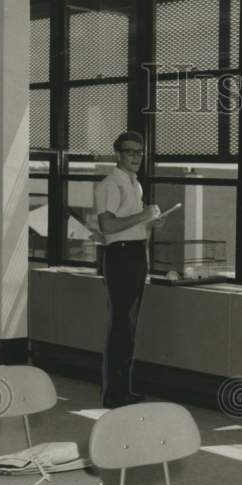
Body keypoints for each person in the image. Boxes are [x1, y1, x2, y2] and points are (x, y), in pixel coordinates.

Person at [93, 131, 165, 409]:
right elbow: (107, 227)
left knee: (129, 326)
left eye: (139, 152)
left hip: (135, 254)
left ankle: (124, 389)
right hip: (120, 257)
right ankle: (113, 394)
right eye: (130, 152)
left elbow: (130, 224)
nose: (136, 157)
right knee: (121, 325)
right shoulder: (110, 185)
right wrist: (143, 216)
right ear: (118, 154)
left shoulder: (135, 185)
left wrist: (150, 224)